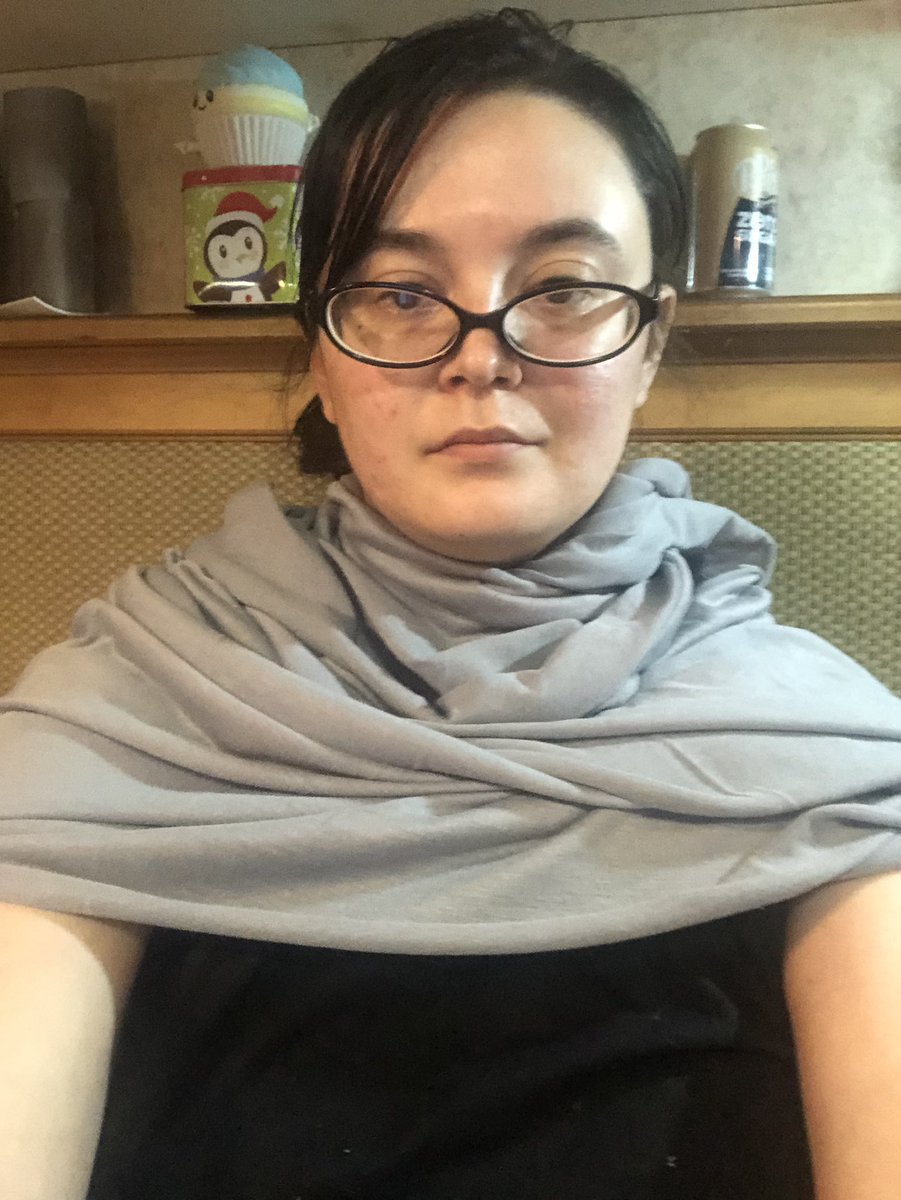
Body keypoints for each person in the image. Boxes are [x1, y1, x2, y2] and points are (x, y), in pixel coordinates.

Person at [1, 10, 901, 1200]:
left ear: (649, 341)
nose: (481, 355)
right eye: (399, 292)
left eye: (564, 287)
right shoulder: (120, 708)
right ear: (322, 353)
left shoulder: (820, 752)